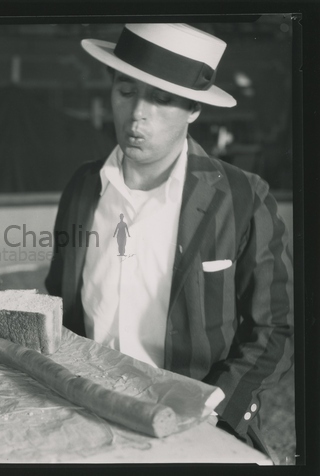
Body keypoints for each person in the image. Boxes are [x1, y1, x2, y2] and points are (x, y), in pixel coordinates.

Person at [45, 23, 294, 460]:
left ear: (194, 109)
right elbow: (60, 305)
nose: (137, 114)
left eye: (160, 99)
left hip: (194, 425)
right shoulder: (83, 188)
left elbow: (273, 329)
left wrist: (213, 415)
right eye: (126, 91)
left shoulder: (241, 197)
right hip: (84, 416)